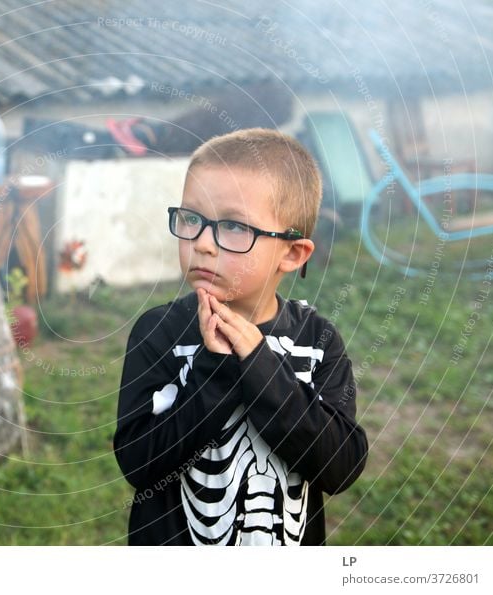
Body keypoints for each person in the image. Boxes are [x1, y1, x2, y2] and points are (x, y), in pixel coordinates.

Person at [113, 128, 368, 545]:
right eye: (193, 219)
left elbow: (341, 468)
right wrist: (214, 370)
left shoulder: (319, 341)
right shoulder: (157, 333)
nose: (203, 245)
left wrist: (262, 366)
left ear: (292, 253)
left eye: (233, 226)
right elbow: (139, 465)